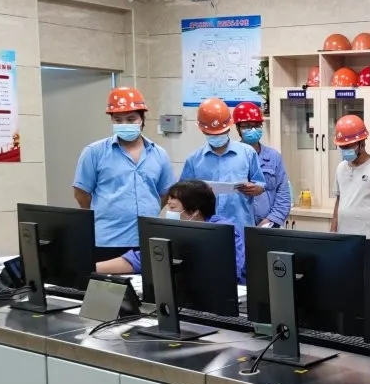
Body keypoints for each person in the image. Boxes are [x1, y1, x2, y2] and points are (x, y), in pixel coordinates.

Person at [73, 87, 174, 262]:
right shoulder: (94, 152)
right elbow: (81, 194)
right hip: (107, 240)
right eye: (118, 120)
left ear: (142, 119)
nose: (124, 124)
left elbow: (165, 192)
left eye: (131, 119)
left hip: (148, 238)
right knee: (105, 279)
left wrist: (150, 210)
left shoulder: (159, 154)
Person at [95, 179, 246, 284]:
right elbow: (141, 259)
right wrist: (91, 268)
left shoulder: (225, 232)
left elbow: (230, 272)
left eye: (172, 207)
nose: (168, 211)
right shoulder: (173, 229)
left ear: (194, 211)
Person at [180, 97, 265, 233]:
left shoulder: (247, 153)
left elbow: (260, 185)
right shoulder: (194, 160)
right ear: (202, 130)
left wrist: (255, 188)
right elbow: (183, 195)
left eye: (221, 132)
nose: (217, 136)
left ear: (229, 127)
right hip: (206, 230)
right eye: (212, 133)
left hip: (240, 227)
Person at [329, 114, 370, 239]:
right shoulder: (340, 168)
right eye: (342, 147)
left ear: (362, 143)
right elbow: (339, 200)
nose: (344, 150)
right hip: (344, 238)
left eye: (348, 146)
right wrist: (333, 232)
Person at [232, 102, 290, 228]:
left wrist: (270, 221)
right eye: (247, 126)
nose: (253, 130)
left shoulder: (274, 157)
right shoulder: (231, 156)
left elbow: (283, 194)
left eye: (257, 125)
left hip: (268, 225)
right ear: (238, 128)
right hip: (237, 225)